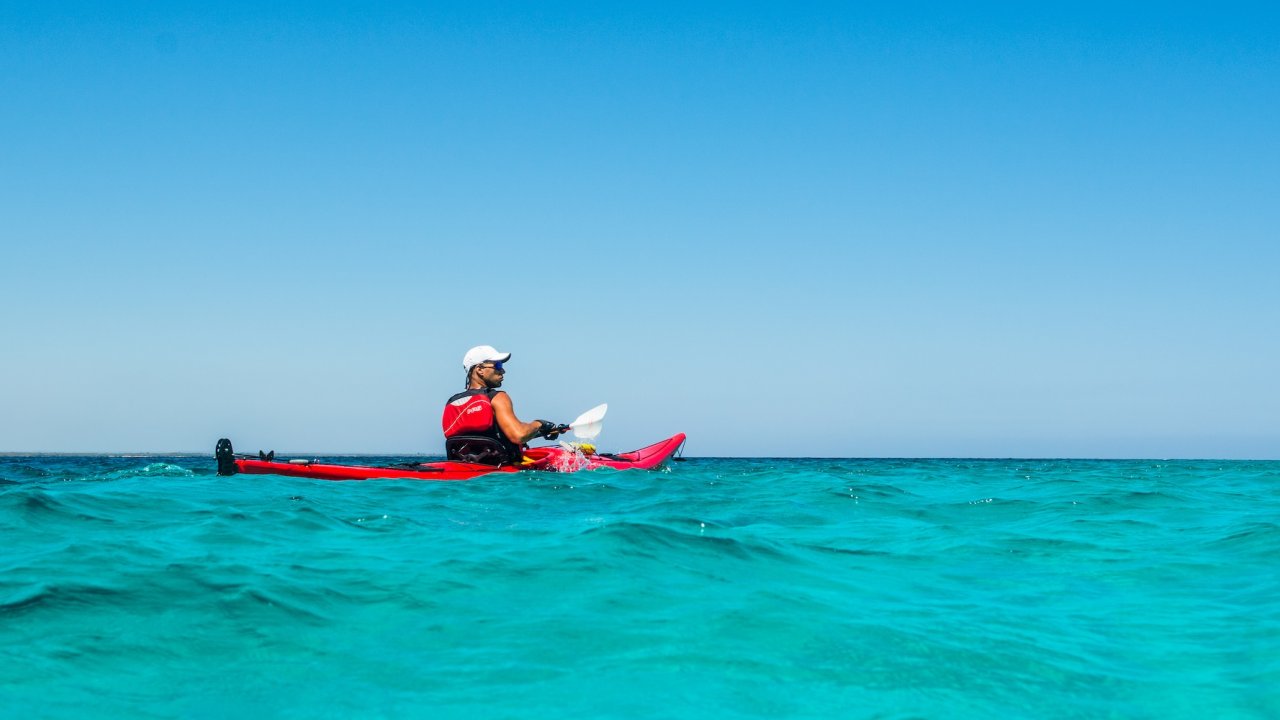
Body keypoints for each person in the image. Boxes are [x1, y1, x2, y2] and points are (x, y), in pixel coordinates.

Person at [441, 345, 566, 465]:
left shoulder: (452, 403)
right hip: (502, 477)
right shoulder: (497, 397)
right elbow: (519, 435)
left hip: (468, 472)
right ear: (479, 369)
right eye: (497, 365)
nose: (503, 370)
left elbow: (486, 438)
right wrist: (539, 424)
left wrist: (537, 432)